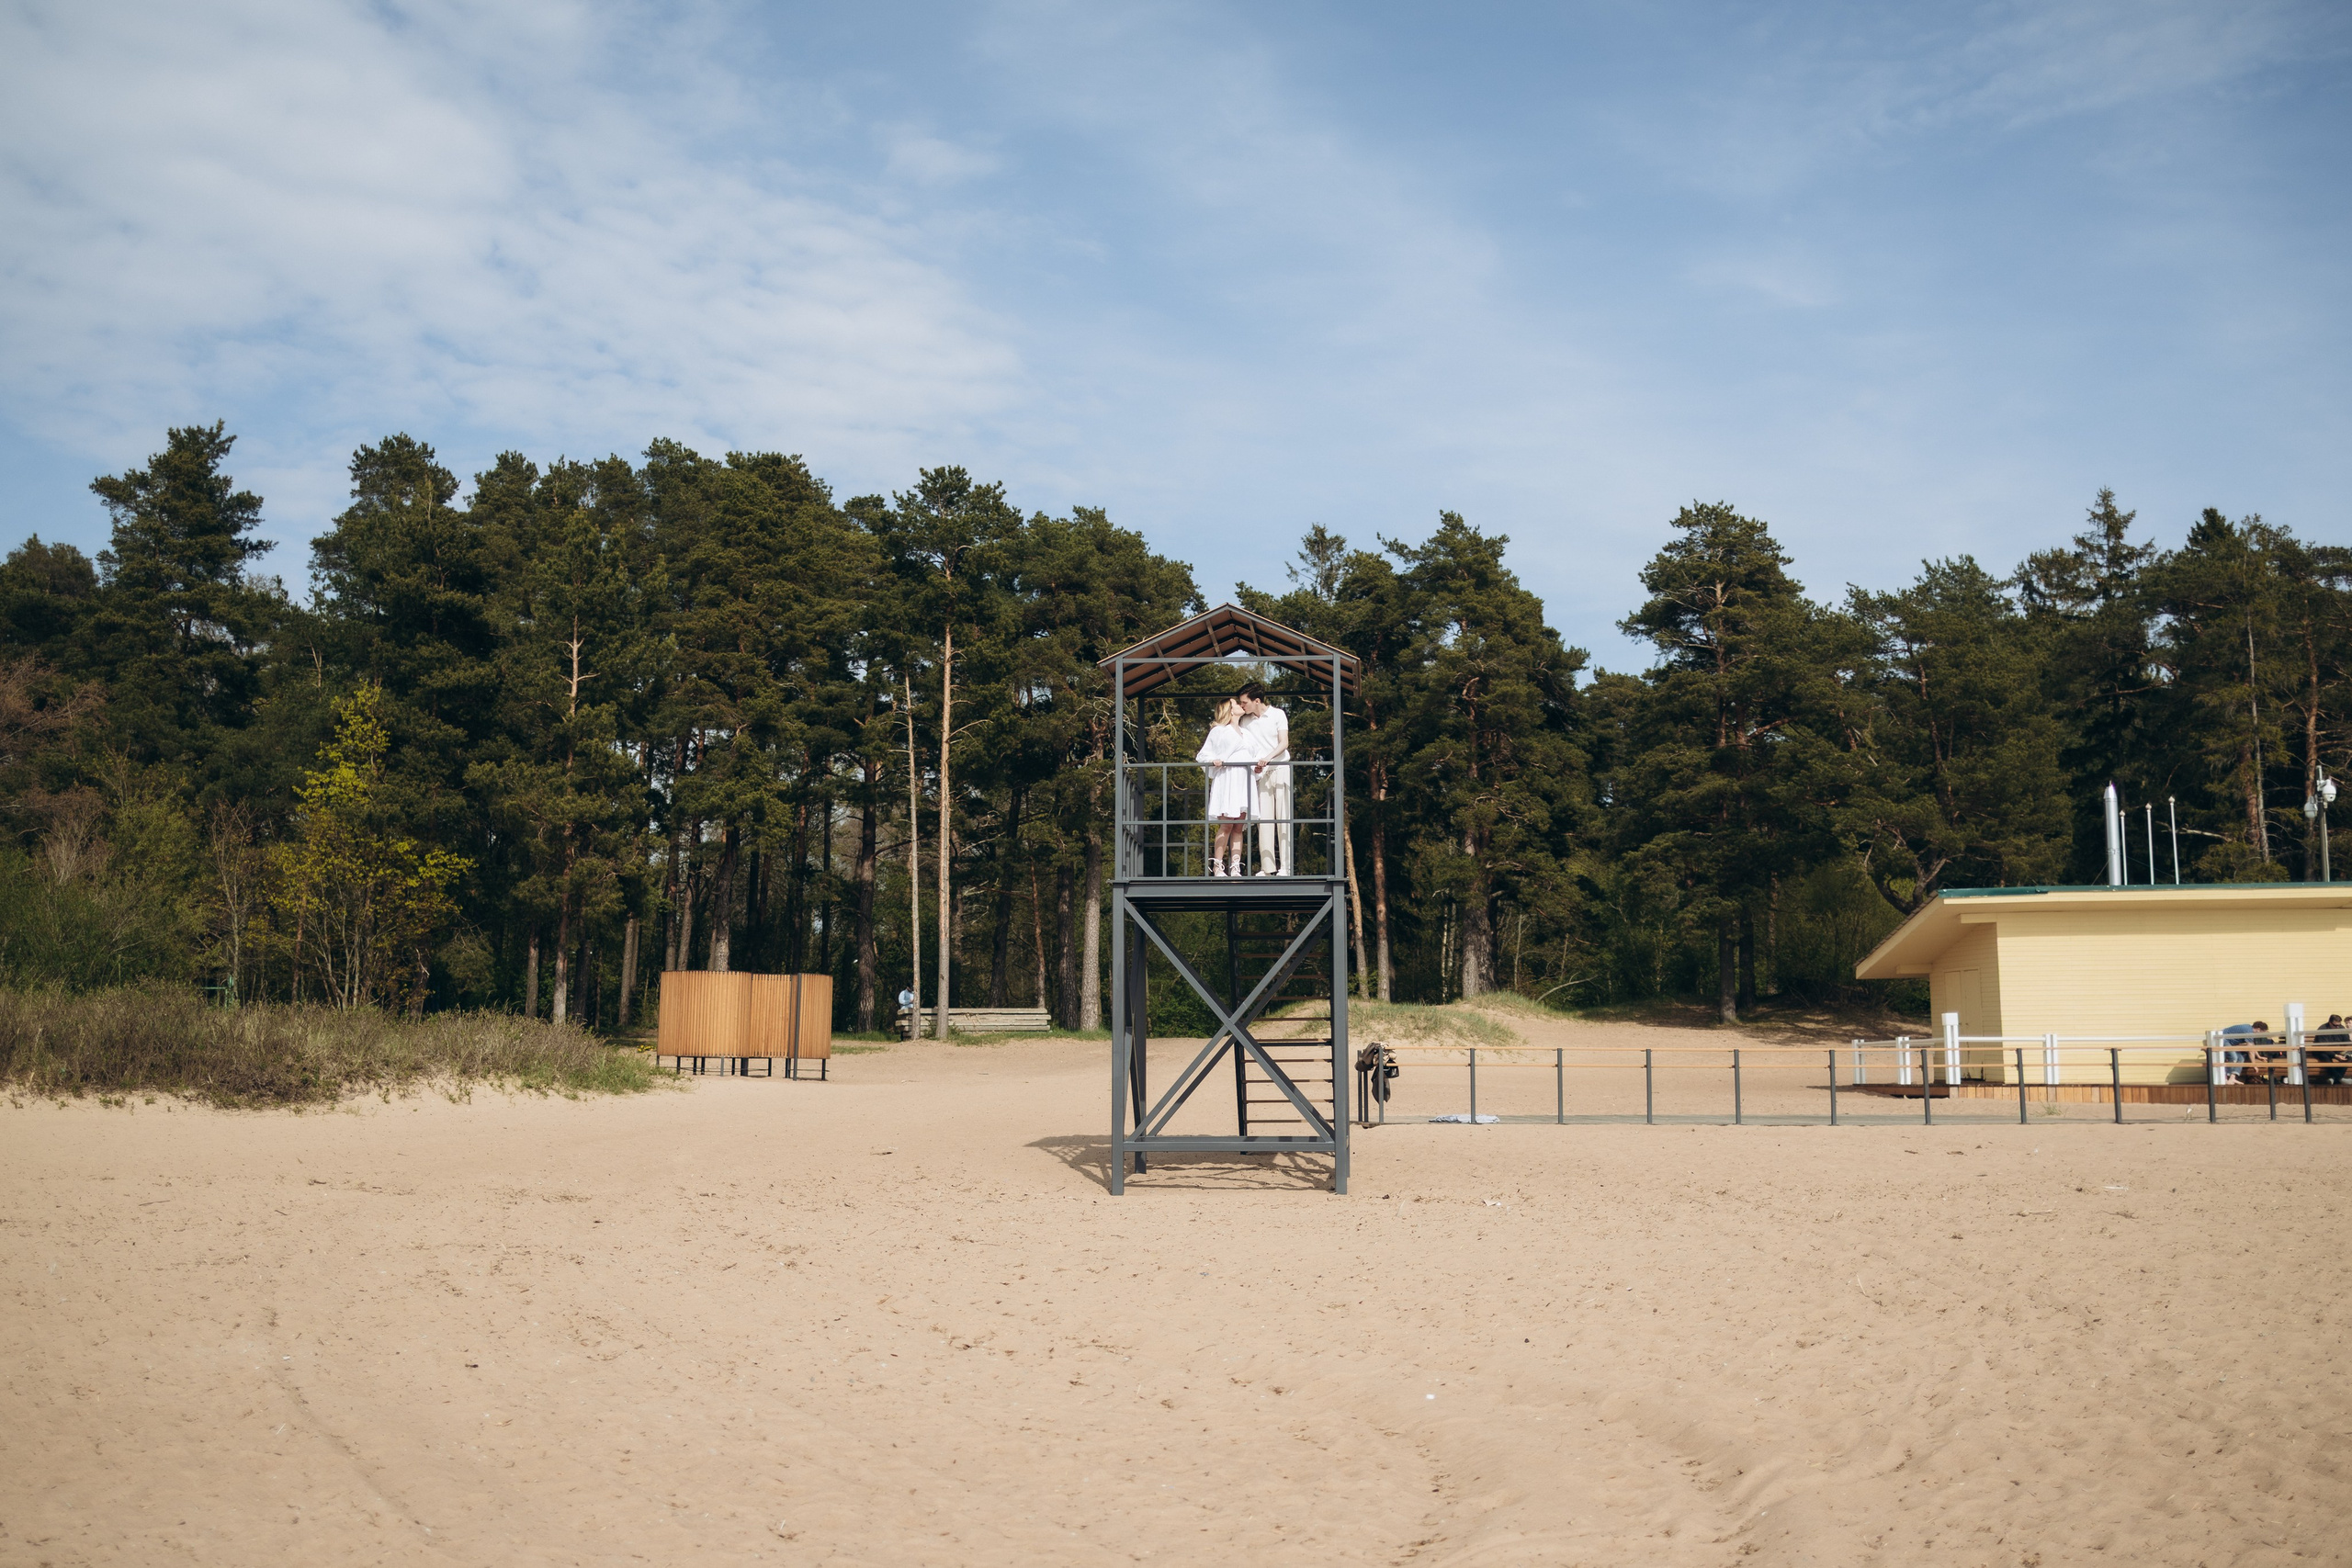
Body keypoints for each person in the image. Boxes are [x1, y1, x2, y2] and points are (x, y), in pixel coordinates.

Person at [1194, 696, 1263, 877]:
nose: (1240, 705)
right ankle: (1217, 865)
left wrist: (1258, 767)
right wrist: (1213, 761)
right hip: (1228, 778)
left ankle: (1235, 866)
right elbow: (1203, 755)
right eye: (1235, 704)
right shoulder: (1218, 731)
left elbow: (1256, 755)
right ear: (1230, 710)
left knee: (1239, 827)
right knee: (1226, 824)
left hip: (1244, 779)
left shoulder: (1247, 733)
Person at [1238, 683, 1292, 876]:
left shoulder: (1278, 714)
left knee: (1284, 818)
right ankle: (1267, 868)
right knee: (1264, 821)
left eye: (1244, 702)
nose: (1242, 705)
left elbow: (1284, 743)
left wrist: (1268, 758)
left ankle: (1286, 867)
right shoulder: (1245, 721)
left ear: (1257, 701)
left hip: (1280, 768)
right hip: (1260, 773)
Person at [2311, 1013, 2348, 1088]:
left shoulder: (2341, 1028)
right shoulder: (2322, 1029)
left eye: (2339, 1025)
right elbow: (2323, 1047)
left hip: (2337, 1051)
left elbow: (2347, 1041)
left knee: (2348, 1057)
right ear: (2330, 1022)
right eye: (2335, 1025)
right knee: (2325, 1057)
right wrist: (2335, 1055)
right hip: (2322, 1051)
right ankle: (2340, 1078)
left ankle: (2333, 1078)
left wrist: (2344, 1051)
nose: (2337, 1027)